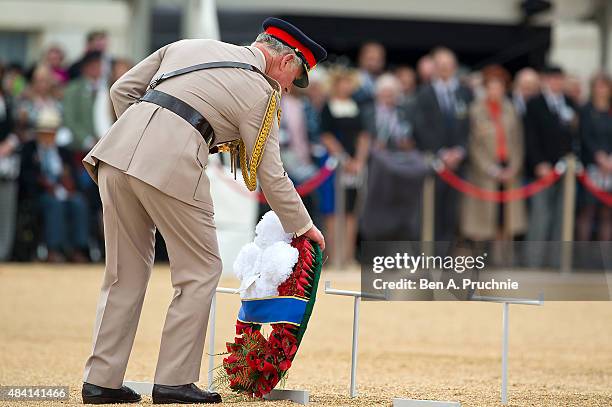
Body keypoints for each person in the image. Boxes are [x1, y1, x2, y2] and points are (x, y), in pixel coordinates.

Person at [80, 17, 326, 404]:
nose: (288, 87)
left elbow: (121, 89)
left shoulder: (188, 45)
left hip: (114, 154)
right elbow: (271, 174)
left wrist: (143, 132)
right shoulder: (262, 91)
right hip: (173, 161)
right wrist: (302, 226)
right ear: (285, 61)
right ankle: (173, 382)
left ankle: (100, 382)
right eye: (294, 77)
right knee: (201, 269)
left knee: (122, 274)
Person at [413, 46, 473, 243]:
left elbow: (471, 126)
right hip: (434, 163)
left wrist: (460, 151)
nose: (445, 69)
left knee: (452, 213)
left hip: (459, 164)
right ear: (434, 67)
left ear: (454, 67)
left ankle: (446, 256)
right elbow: (420, 127)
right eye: (441, 65)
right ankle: (429, 256)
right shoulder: (424, 93)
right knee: (431, 212)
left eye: (448, 65)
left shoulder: (465, 93)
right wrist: (441, 153)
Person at [461, 65, 526, 242]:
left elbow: (518, 141)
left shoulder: (511, 109)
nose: (495, 91)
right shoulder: (475, 110)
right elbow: (474, 145)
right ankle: (480, 258)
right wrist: (490, 169)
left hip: (509, 169)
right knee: (482, 218)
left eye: (499, 87)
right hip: (484, 172)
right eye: (491, 86)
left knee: (506, 218)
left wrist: (514, 167)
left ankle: (502, 257)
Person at [19, 109, 89, 263]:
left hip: (64, 191)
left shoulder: (64, 152)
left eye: (51, 133)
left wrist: (69, 183)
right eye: (44, 133)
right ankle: (53, 249)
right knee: (54, 204)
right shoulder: (29, 149)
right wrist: (43, 183)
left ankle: (78, 249)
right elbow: (26, 177)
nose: (47, 137)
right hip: (42, 194)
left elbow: (75, 178)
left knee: (78, 202)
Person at [319, 67, 370, 265]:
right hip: (334, 165)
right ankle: (334, 256)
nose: (346, 86)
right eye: (343, 82)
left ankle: (348, 256)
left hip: (354, 166)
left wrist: (359, 160)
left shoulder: (355, 106)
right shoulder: (328, 106)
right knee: (332, 211)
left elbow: (364, 136)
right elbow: (326, 136)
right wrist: (344, 158)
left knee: (351, 210)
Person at [524, 65, 578, 252]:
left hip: (565, 169)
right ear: (545, 80)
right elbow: (530, 137)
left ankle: (558, 261)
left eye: (559, 79)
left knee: (562, 216)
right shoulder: (535, 103)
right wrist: (539, 163)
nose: (556, 82)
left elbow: (574, 136)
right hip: (541, 169)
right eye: (552, 78)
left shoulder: (570, 103)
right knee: (541, 215)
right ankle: (533, 261)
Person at [576, 73, 612, 241]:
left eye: (604, 86)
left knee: (607, 212)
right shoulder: (586, 110)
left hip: (610, 168)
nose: (601, 90)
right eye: (598, 86)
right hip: (591, 166)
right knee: (587, 211)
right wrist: (599, 157)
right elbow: (585, 136)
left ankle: (603, 258)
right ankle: (583, 257)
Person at [63, 51, 103, 153]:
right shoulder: (73, 89)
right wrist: (87, 140)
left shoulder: (107, 88)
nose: (97, 69)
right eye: (92, 66)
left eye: (99, 65)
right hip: (80, 148)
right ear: (85, 68)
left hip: (104, 145)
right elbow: (69, 118)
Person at [0, 70, 19, 260]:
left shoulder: (9, 101)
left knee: (6, 211)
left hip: (6, 163)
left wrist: (10, 144)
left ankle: (3, 254)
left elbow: (16, 131)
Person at [353, 41, 386, 106]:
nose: (374, 63)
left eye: (378, 59)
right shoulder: (352, 78)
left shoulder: (387, 80)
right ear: (361, 58)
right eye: (370, 59)